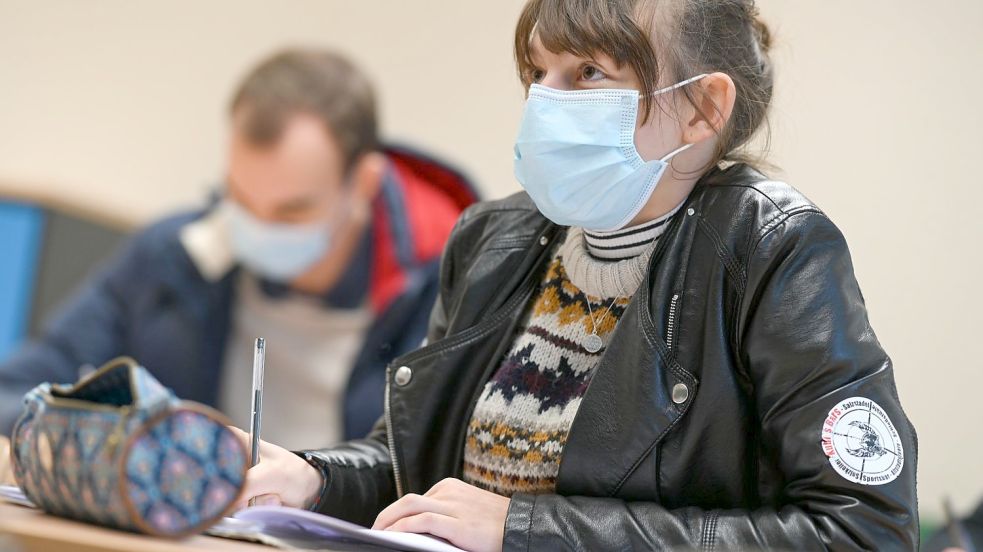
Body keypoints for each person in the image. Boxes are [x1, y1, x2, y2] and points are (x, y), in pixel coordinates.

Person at [233, 1, 919, 550]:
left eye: (589, 73)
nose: (545, 103)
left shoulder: (772, 250)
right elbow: (418, 473)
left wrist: (526, 531)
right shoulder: (492, 239)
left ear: (703, 108)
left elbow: (862, 532)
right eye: (538, 72)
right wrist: (313, 477)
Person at [0, 49, 478, 449]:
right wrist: (119, 445)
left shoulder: (449, 290)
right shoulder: (170, 260)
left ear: (364, 183)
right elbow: (14, 394)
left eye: (291, 211)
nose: (259, 227)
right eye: (241, 199)